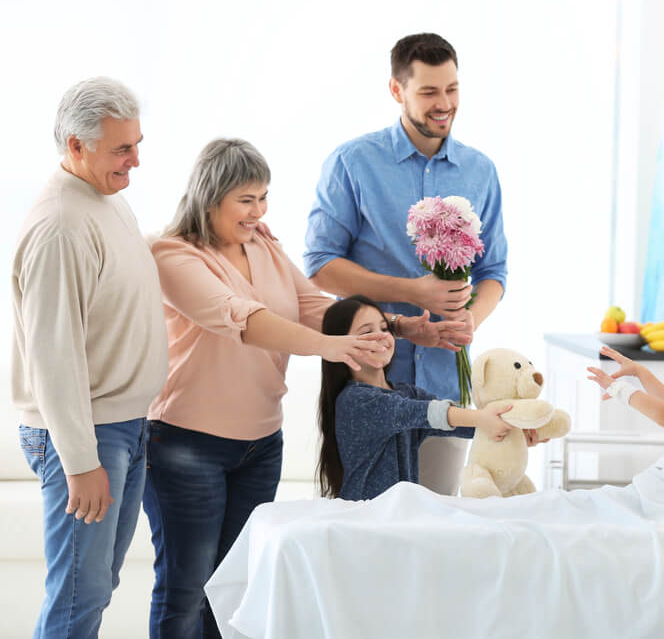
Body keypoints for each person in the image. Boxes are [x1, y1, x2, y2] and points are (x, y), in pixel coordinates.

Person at [144, 138, 470, 638]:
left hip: (258, 444)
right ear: (211, 197)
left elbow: (313, 307)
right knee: (187, 590)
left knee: (234, 584)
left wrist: (399, 329)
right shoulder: (172, 255)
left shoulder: (264, 246)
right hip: (188, 444)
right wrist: (330, 348)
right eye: (246, 199)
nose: (260, 211)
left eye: (264, 197)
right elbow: (245, 321)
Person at [304, 32, 508, 495]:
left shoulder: (481, 171)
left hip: (444, 382)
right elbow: (319, 264)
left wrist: (469, 319)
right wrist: (413, 291)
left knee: (436, 526)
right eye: (429, 92)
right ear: (397, 91)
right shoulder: (352, 163)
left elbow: (493, 272)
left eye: (452, 89)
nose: (444, 104)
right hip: (369, 383)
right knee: (367, 529)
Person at [12, 77, 168, 637]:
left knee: (96, 588)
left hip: (121, 426)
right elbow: (53, 356)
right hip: (87, 434)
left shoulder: (103, 199)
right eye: (121, 149)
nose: (135, 162)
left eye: (137, 143)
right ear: (76, 146)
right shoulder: (61, 226)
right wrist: (80, 462)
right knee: (80, 594)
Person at [317, 296, 523, 500]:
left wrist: (513, 428)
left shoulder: (406, 393)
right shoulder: (356, 400)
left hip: (398, 515)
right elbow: (424, 413)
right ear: (340, 346)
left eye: (384, 328)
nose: (381, 336)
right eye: (367, 331)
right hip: (366, 518)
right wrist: (482, 419)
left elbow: (455, 423)